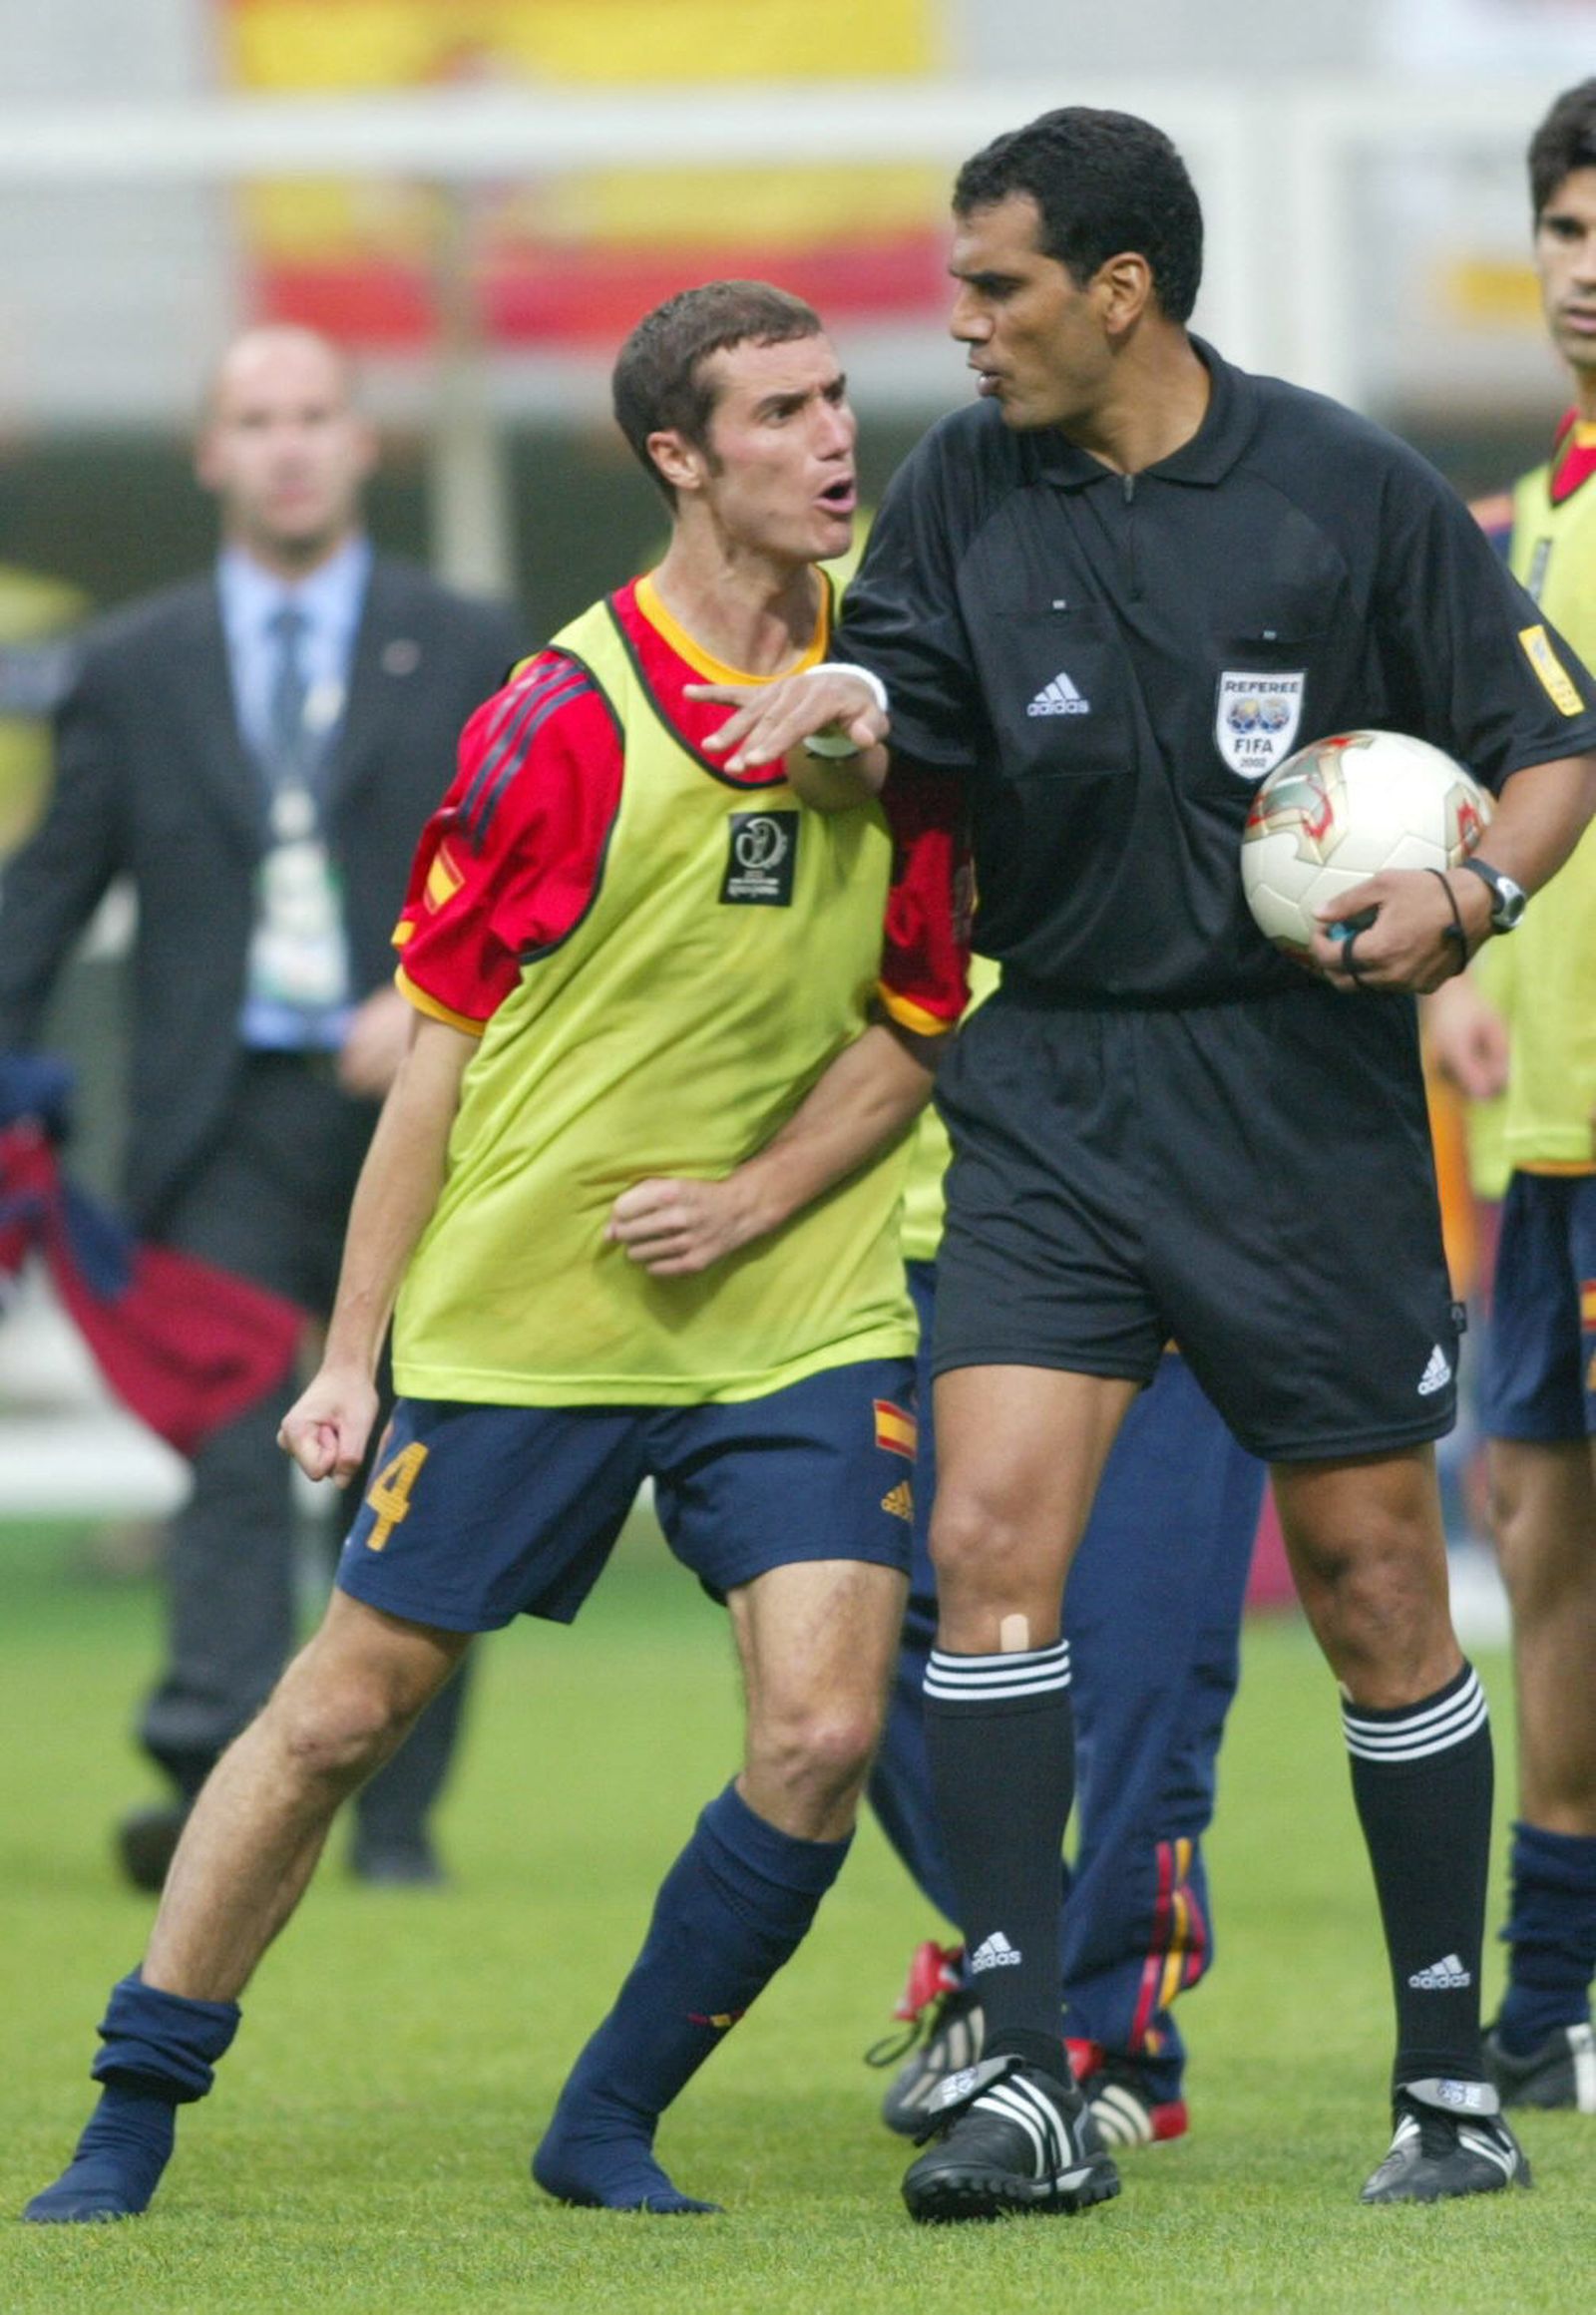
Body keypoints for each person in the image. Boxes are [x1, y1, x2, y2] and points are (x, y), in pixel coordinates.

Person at [698, 107, 1596, 2217]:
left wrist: (1463, 904)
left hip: (1295, 1104)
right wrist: (838, 711)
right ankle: (1030, 2068)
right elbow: (896, 705)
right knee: (991, 1550)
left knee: (1380, 1583)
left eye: (994, 285)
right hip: (1047, 1094)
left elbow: (1545, 751)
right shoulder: (957, 487)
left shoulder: (1341, 485)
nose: (959, 323)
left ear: (1118, 289)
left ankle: (1447, 2072)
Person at [20, 279, 966, 2227]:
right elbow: (433, 1059)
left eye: (834, 399)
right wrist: (352, 1351)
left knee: (819, 1724)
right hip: (537, 1305)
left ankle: (607, 2110)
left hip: (791, 1302)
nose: (828, 439)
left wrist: (757, 1194)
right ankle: (132, 2101)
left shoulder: (901, 665)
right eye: (776, 412)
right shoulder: (553, 718)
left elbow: (916, 1016)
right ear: (674, 456)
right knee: (345, 1708)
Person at [0, 327, 519, 1890]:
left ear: (363, 444)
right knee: (235, 1442)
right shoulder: (132, 664)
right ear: (212, 453)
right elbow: (49, 892)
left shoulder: (469, 637)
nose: (288, 444)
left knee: (415, 1445)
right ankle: (216, 1764)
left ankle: (400, 1813)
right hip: (213, 1116)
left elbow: (535, 878)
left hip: (412, 1106)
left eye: (314, 414)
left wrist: (432, 1002)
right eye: (256, 420)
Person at [868, 976, 1267, 2150]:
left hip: (1159, 1216)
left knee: (1141, 1665)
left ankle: (1116, 2032)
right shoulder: (896, 793)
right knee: (867, 1642)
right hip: (896, 1233)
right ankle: (1014, 1981)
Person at [1426, 79, 1596, 2118]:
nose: (1584, 263)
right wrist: (1450, 999)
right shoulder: (1524, 516)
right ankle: (1549, 1984)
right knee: (1536, 1547)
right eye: (1562, 225)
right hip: (1538, 1134)